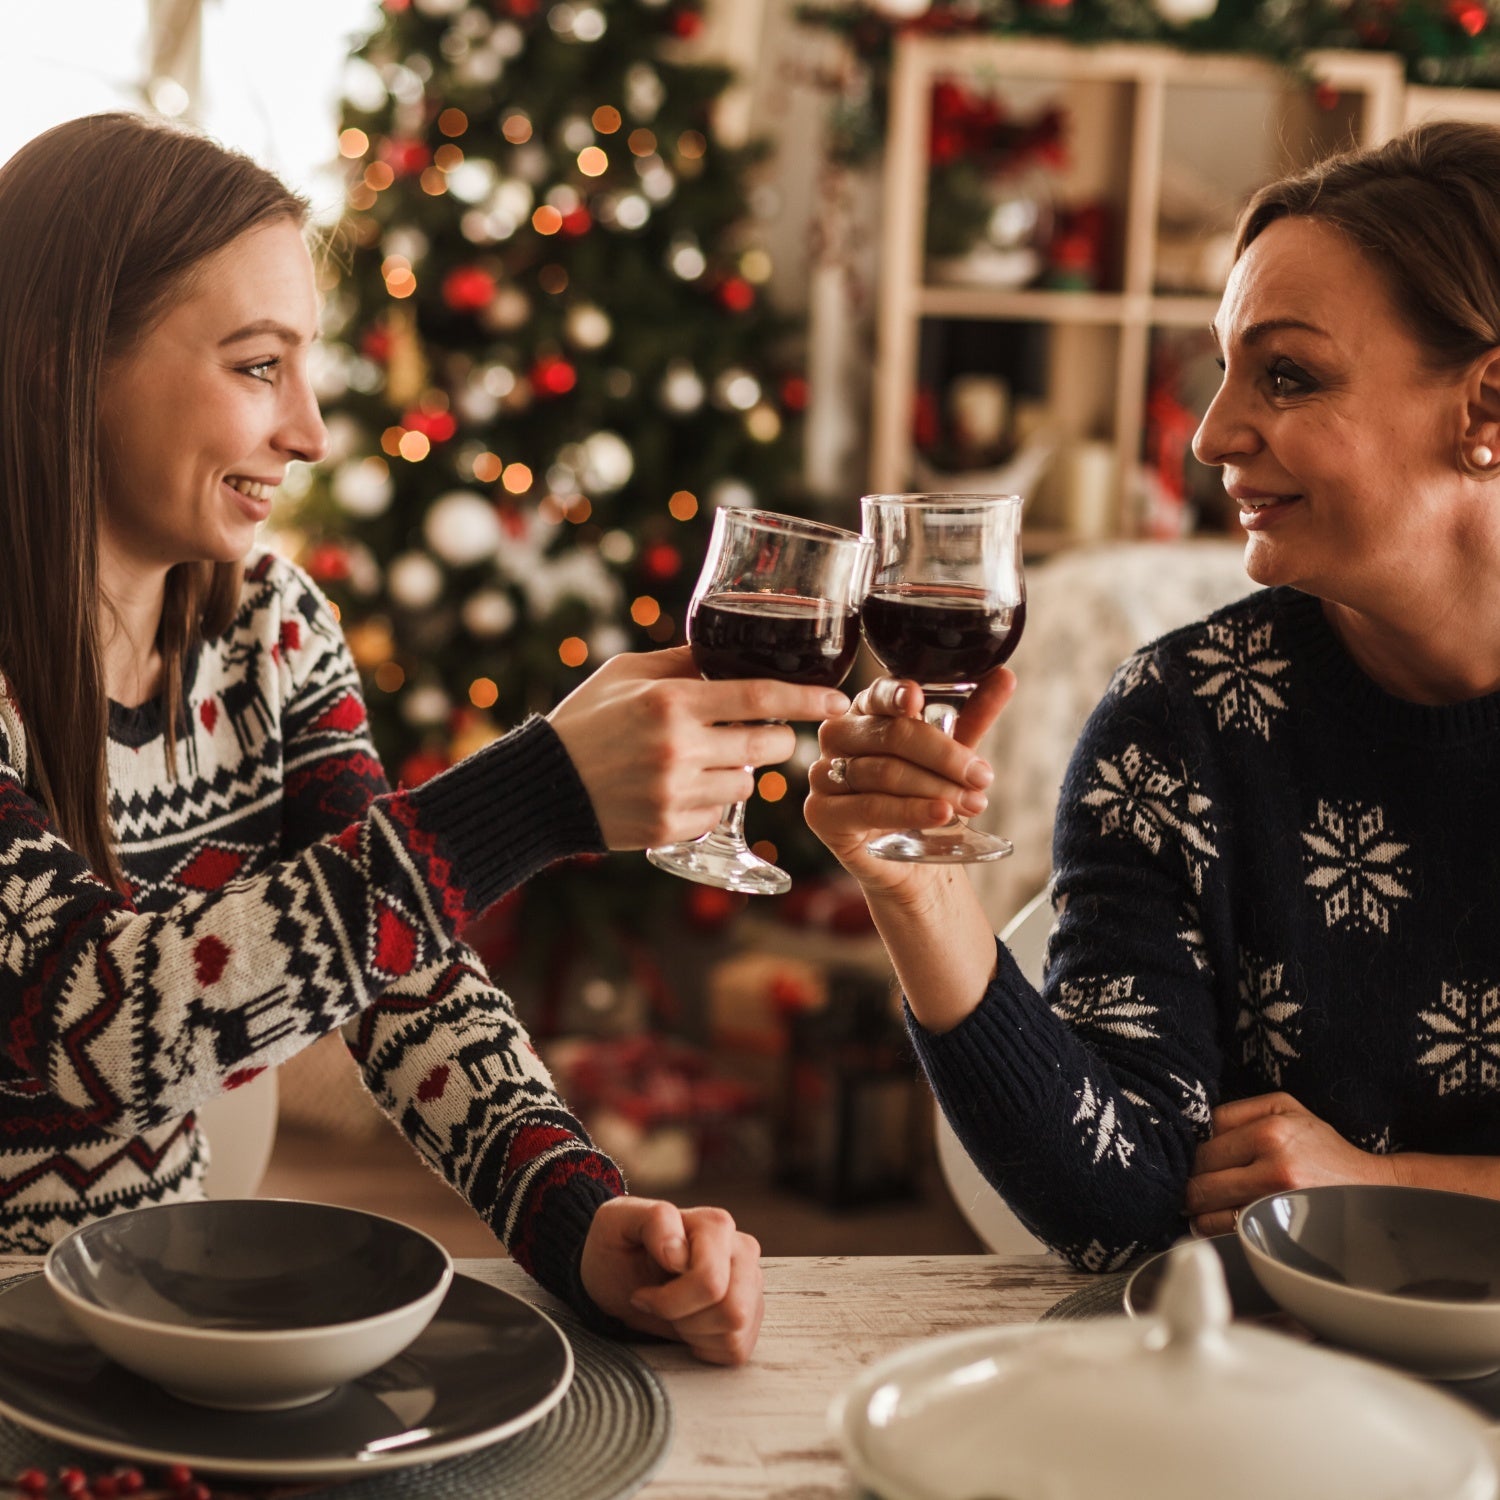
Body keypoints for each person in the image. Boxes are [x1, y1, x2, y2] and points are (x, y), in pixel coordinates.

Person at [0, 114, 848, 1363]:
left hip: (151, 1336)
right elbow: (90, 1022)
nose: (311, 431)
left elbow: (400, 973)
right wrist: (535, 796)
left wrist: (574, 1212)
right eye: (255, 366)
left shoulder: (273, 633)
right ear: (71, 363)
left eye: (309, 364)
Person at [808, 119, 1500, 1271]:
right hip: (1273, 1400)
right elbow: (1119, 1207)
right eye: (1224, 367)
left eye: (1288, 374)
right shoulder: (1185, 721)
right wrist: (916, 897)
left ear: (1485, 408)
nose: (1213, 432)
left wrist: (1384, 1191)